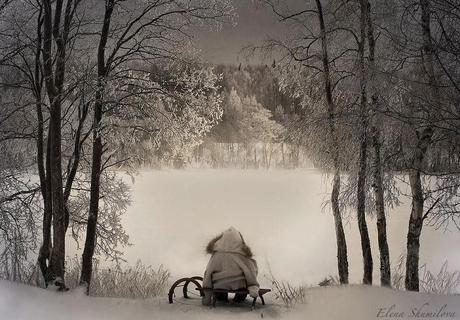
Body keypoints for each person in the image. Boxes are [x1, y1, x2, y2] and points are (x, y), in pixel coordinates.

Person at [202, 227, 259, 305]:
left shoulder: (216, 255)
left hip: (219, 285)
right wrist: (253, 286)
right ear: (239, 240)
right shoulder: (242, 255)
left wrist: (207, 295)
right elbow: (250, 272)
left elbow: (208, 273)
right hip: (239, 285)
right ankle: (239, 298)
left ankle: (221, 297)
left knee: (220, 293)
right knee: (241, 294)